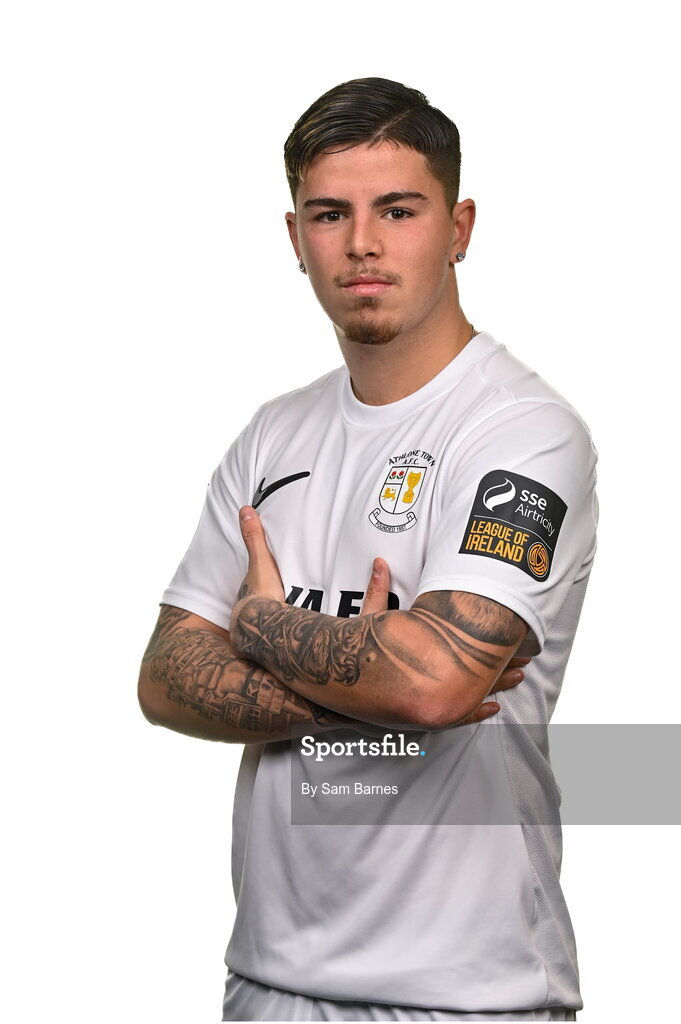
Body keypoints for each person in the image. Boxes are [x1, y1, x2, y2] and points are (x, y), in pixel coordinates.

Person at [137, 77, 597, 1022]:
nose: (362, 244)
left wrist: (261, 624)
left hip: (467, 993)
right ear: (295, 239)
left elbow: (431, 683)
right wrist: (369, 675)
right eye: (328, 214)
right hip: (269, 982)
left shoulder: (524, 433)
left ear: (458, 226)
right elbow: (163, 676)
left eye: (398, 209)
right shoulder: (272, 437)